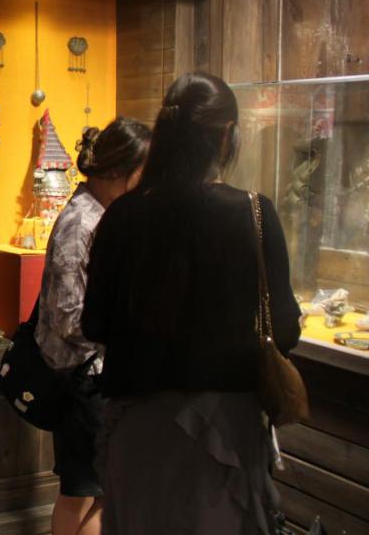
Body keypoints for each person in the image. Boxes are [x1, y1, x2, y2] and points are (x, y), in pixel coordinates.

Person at [82, 72, 302, 535]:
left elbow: (95, 324)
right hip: (226, 433)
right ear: (227, 134)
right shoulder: (254, 213)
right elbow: (284, 329)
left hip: (138, 428)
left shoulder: (122, 216)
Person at [34, 118, 151, 535]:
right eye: (144, 172)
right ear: (119, 169)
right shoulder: (82, 222)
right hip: (83, 377)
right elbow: (68, 314)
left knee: (97, 492)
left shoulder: (99, 214)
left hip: (92, 375)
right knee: (84, 494)